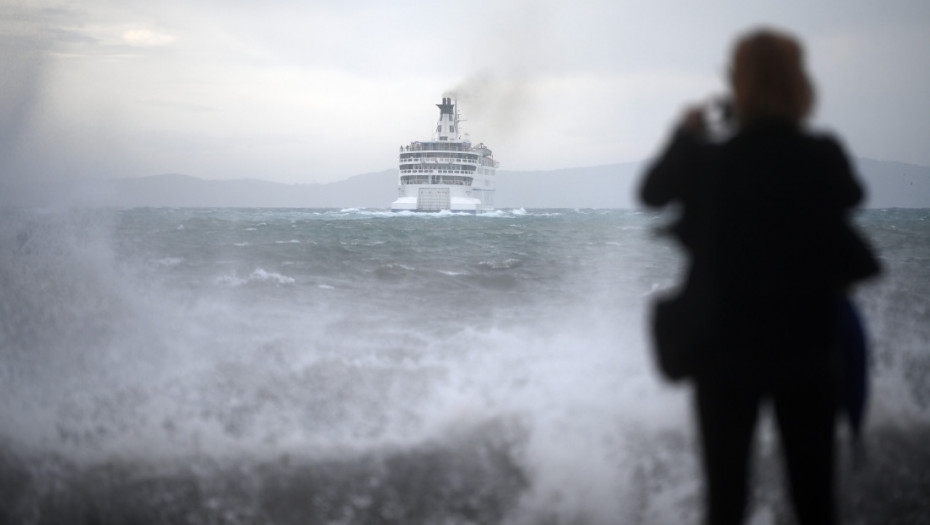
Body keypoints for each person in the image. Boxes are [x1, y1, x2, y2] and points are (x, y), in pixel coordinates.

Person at [639, 28, 879, 525]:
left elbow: (653, 193)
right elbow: (851, 196)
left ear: (736, 85)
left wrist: (686, 134)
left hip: (725, 354)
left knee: (725, 502)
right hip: (808, 348)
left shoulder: (710, 161)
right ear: (800, 85)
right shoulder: (821, 154)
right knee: (815, 502)